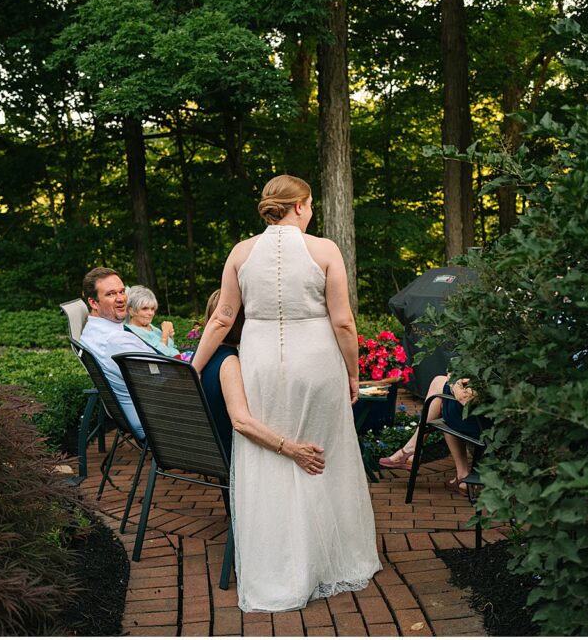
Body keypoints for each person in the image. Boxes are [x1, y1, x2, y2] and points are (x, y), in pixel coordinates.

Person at [191, 174, 381, 613]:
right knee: (323, 459)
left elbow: (221, 318)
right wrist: (353, 373)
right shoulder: (324, 250)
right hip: (317, 366)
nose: (311, 211)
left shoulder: (241, 252)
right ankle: (331, 560)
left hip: (258, 365)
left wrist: (192, 368)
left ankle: (280, 564)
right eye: (310, 204)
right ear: (300, 206)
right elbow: (344, 323)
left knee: (269, 458)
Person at [78, 267, 155, 441]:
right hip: (154, 418)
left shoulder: (92, 331)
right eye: (111, 294)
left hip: (141, 410)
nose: (121, 299)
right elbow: (158, 378)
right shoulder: (115, 340)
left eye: (121, 291)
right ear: (93, 303)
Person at [378, 374, 487, 493]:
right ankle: (411, 451)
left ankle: (411, 450)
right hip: (489, 420)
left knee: (439, 386)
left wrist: (453, 383)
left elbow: (465, 397)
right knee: (441, 397)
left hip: (481, 425)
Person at [196, 289, 244, 459]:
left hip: (205, 445)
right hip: (228, 452)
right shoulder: (230, 362)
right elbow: (241, 422)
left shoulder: (201, 357)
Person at [125, 285, 180, 357]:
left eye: (152, 309)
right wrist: (165, 334)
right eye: (145, 309)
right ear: (131, 311)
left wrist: (170, 335)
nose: (150, 313)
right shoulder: (133, 332)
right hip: (170, 366)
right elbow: (158, 356)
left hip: (180, 361)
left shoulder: (151, 327)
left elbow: (170, 347)